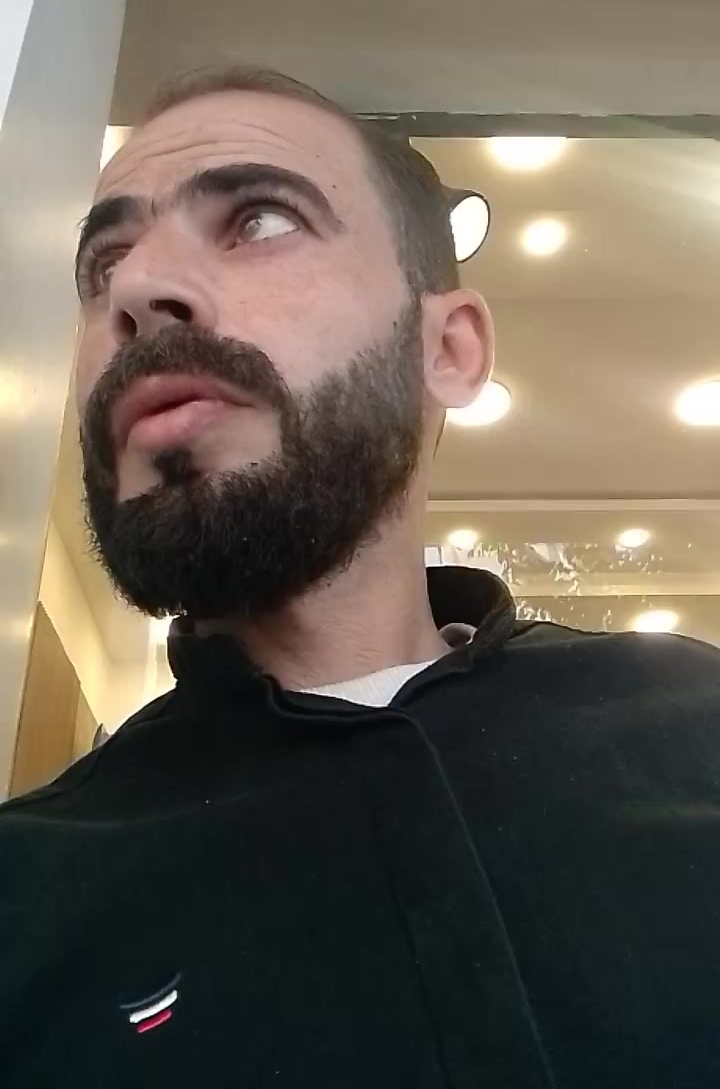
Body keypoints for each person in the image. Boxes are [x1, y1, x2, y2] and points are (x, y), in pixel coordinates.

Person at [2, 68, 720, 1089]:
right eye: (104, 262)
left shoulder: (699, 725)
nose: (135, 290)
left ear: (449, 349)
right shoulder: (26, 894)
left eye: (258, 219)